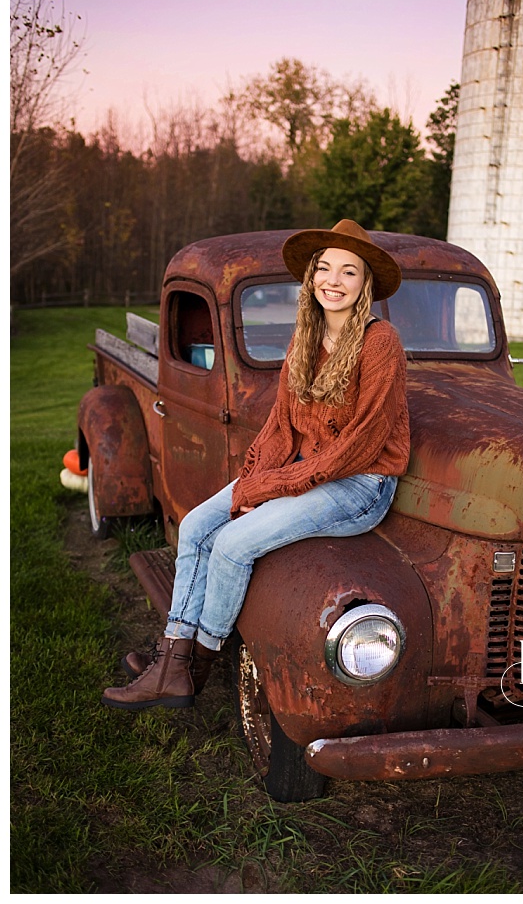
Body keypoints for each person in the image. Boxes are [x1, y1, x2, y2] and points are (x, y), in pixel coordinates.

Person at [104, 219, 411, 710]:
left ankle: (195, 668)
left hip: (360, 485)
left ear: (364, 284)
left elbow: (360, 443)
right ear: (311, 277)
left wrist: (274, 487)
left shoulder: (380, 342)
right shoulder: (305, 339)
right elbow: (281, 429)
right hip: (309, 469)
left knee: (230, 545)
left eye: (348, 272)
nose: (333, 280)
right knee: (198, 524)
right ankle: (172, 657)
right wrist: (254, 482)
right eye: (324, 268)